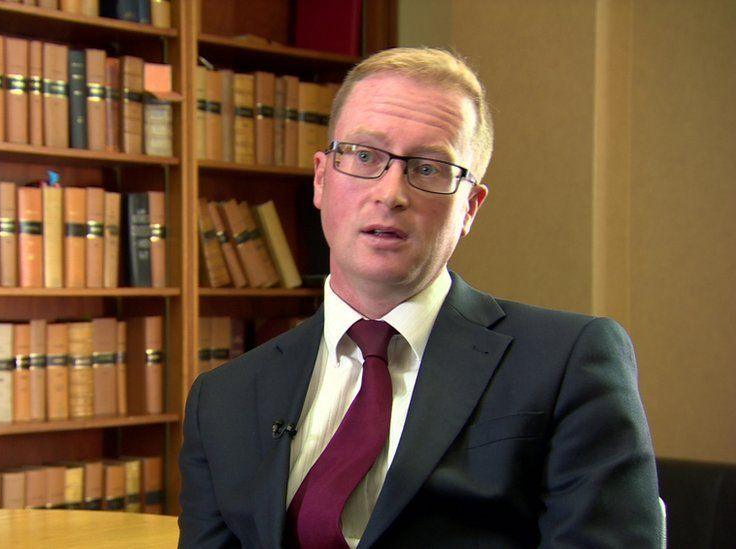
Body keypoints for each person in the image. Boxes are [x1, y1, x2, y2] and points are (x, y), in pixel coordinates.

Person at [178, 47, 661, 548]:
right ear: (322, 178)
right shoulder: (223, 400)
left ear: (470, 207)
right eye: (365, 156)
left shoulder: (567, 360)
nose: (391, 193)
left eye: (429, 168)